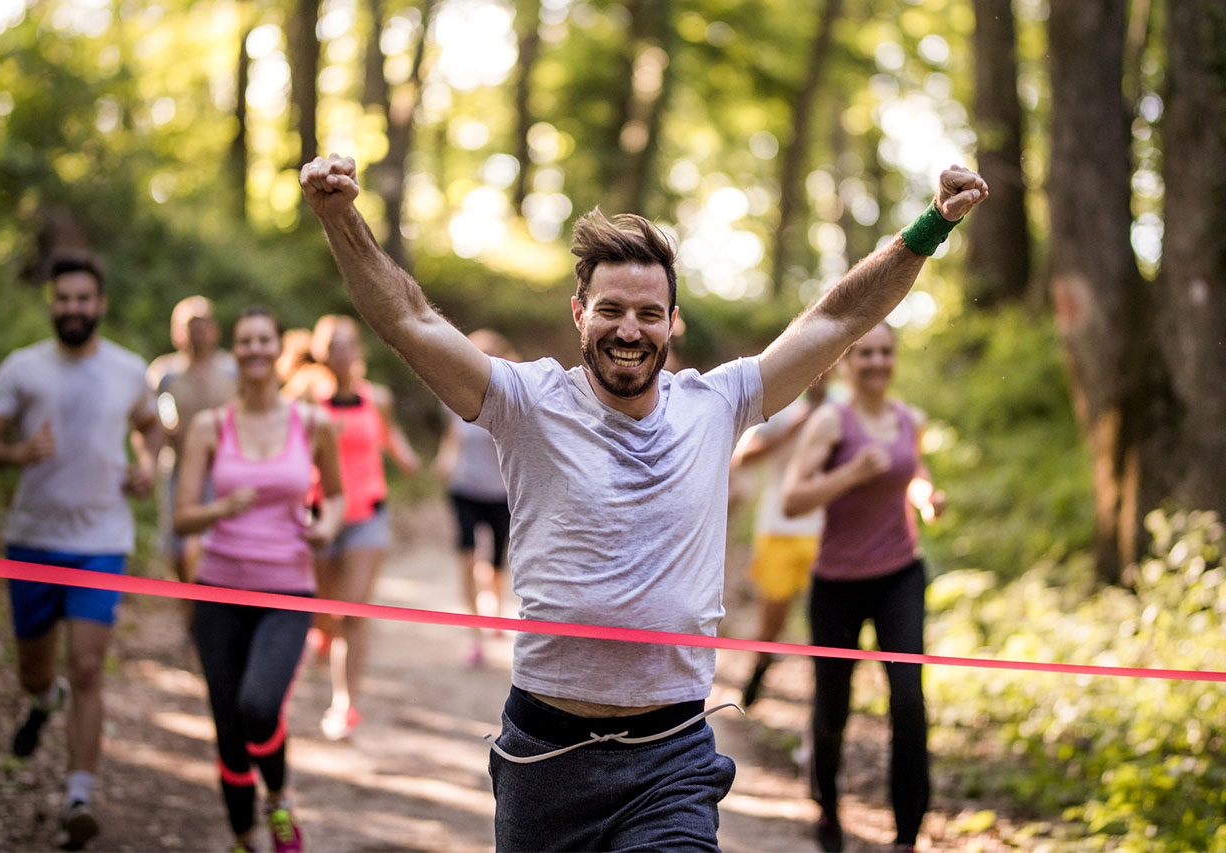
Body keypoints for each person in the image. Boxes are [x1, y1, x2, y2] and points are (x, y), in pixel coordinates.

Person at [299, 152, 985, 851]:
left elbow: (835, 319)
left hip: (672, 755)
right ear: (580, 313)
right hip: (546, 756)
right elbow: (410, 319)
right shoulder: (525, 403)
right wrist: (339, 216)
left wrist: (931, 225)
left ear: (672, 322)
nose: (630, 329)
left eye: (649, 313)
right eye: (613, 310)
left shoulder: (717, 404)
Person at [0, 250, 163, 851]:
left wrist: (149, 464)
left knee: (86, 667)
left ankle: (78, 796)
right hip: (32, 539)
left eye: (84, 299)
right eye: (64, 299)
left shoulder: (130, 371)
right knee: (36, 671)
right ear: (51, 303)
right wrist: (19, 454)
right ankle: (42, 700)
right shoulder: (23, 370)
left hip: (101, 541)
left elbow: (151, 425)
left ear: (100, 305)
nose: (74, 308)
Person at [173, 306, 345, 853]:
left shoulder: (312, 422)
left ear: (277, 348)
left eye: (262, 340)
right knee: (227, 725)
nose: (253, 350)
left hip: (288, 590)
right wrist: (220, 508)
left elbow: (336, 497)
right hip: (218, 589)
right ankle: (244, 838)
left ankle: (278, 796)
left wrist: (327, 526)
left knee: (258, 705)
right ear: (234, 348)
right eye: (244, 341)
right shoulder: (210, 426)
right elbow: (180, 517)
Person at [779, 323, 947, 853]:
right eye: (865, 353)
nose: (876, 362)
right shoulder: (831, 422)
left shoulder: (907, 419)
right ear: (850, 361)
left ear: (895, 358)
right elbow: (793, 500)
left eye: (885, 352)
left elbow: (911, 470)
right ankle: (827, 805)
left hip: (900, 574)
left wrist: (925, 497)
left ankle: (907, 834)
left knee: (908, 702)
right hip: (838, 584)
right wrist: (850, 475)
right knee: (834, 707)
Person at [293, 314, 419, 741]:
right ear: (321, 354)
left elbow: (389, 436)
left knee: (354, 612)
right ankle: (323, 635)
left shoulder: (376, 398)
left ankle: (344, 705)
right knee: (325, 611)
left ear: (358, 352)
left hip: (368, 515)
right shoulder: (307, 399)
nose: (342, 353)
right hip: (322, 517)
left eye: (348, 344)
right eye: (333, 346)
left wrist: (405, 457)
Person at [730, 372, 829, 710]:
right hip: (779, 530)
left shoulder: (844, 405)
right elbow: (743, 457)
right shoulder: (783, 406)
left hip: (830, 532)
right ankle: (759, 668)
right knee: (773, 620)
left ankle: (822, 704)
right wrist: (793, 429)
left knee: (828, 627)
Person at [432, 329, 517, 667]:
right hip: (464, 488)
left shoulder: (512, 398)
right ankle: (475, 632)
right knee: (467, 558)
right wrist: (445, 456)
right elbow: (454, 432)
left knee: (495, 564)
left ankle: (494, 609)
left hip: (500, 493)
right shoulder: (453, 394)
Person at [150, 296, 237, 586]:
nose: (196, 332)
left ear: (215, 330)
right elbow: (153, 415)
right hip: (177, 466)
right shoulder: (163, 373)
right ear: (176, 331)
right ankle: (186, 601)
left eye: (202, 325)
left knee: (219, 538)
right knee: (177, 543)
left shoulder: (232, 370)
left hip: (223, 468)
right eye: (189, 326)